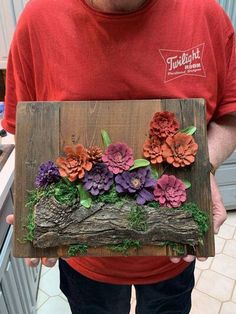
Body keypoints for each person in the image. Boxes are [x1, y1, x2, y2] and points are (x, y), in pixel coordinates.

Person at [2, 0, 236, 313]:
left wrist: (204, 167)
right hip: (84, 258)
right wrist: (36, 205)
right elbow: (27, 129)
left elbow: (229, 115)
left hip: (173, 252)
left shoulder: (207, 16)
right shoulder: (37, 19)